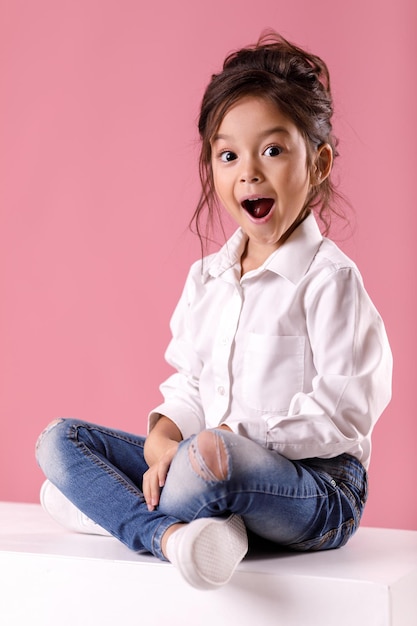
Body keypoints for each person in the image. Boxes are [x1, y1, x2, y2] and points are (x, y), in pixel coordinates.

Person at [35, 31, 392, 591]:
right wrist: (163, 434)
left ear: (319, 163)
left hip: (315, 491)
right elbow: (190, 383)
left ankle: (130, 515)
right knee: (59, 443)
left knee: (197, 461)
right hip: (203, 467)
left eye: (273, 150)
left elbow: (344, 414)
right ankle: (178, 536)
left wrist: (232, 437)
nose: (249, 171)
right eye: (228, 155)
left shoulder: (330, 280)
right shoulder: (207, 278)